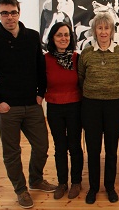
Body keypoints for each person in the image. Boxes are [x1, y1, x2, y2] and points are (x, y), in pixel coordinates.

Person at [0, 0, 56, 209]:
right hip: (7, 108)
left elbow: (41, 68)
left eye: (13, 12)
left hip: (32, 105)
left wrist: (41, 93)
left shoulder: (31, 37)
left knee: (42, 146)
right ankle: (21, 190)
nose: (9, 17)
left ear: (19, 13)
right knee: (12, 153)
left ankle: (36, 180)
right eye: (5, 13)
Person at [78, 12, 119, 204]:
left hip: (115, 106)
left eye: (107, 28)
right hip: (91, 105)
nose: (103, 31)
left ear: (112, 30)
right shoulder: (86, 53)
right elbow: (81, 78)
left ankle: (109, 186)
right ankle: (93, 187)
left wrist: (112, 92)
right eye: (99, 28)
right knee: (93, 149)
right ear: (94, 31)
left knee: (111, 149)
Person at [44, 22, 83, 200]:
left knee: (75, 147)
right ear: (53, 37)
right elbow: (40, 82)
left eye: (67, 35)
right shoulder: (45, 59)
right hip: (54, 107)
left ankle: (76, 182)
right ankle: (62, 183)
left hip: (75, 106)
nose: (63, 38)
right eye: (59, 35)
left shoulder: (77, 58)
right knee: (60, 147)